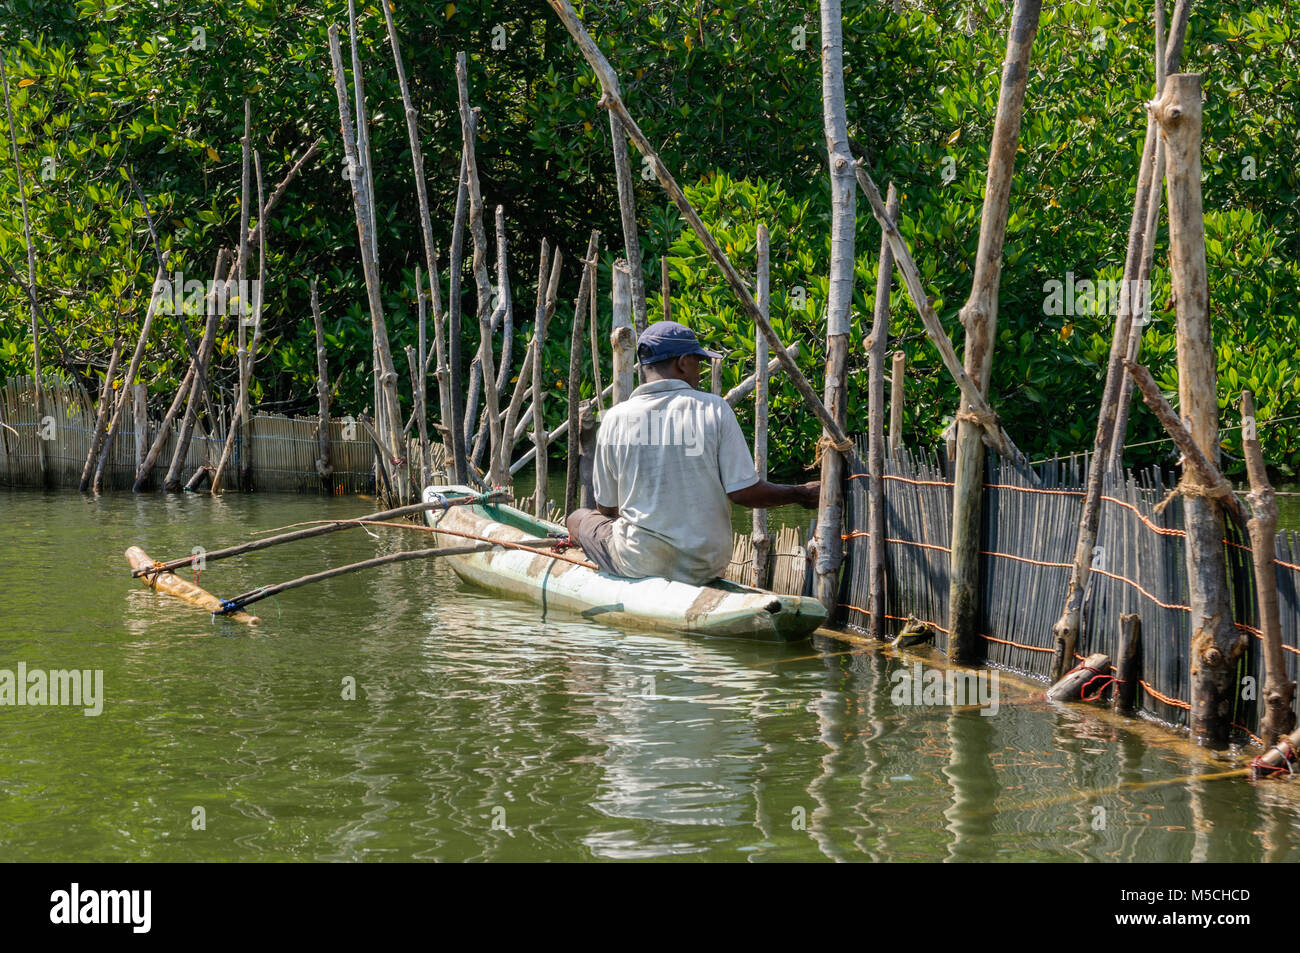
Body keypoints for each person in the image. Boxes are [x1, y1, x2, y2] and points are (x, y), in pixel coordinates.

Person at [566, 320, 819, 586]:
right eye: (699, 362)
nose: (700, 370)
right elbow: (744, 492)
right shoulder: (714, 409)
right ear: (683, 362)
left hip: (638, 561)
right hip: (705, 564)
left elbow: (607, 507)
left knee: (578, 517)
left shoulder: (615, 417)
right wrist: (800, 493)